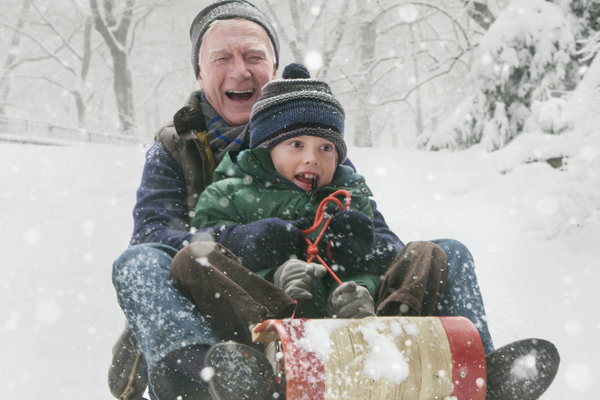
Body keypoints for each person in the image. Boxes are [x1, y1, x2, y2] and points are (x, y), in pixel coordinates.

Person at [108, 1, 557, 399]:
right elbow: (155, 236)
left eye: (253, 56)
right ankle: (197, 375)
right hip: (235, 306)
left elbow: (386, 240)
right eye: (222, 58)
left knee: (449, 252)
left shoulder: (316, 143)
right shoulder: (176, 146)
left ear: (273, 67)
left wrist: (363, 247)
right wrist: (239, 242)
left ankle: (479, 371)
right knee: (140, 261)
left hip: (340, 300)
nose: (240, 70)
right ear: (201, 72)